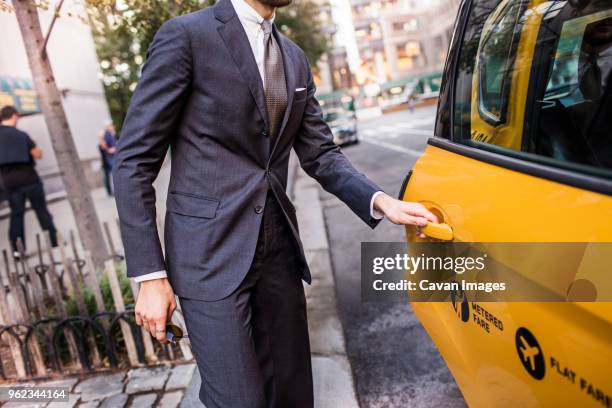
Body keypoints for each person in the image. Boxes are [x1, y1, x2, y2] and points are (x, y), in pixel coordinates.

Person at [112, 0, 437, 406]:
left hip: (278, 251)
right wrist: (149, 275)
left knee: (295, 394)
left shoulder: (294, 58)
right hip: (207, 257)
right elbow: (133, 161)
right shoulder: (186, 37)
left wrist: (383, 201)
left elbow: (321, 154)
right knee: (239, 400)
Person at [0, 106, 58, 257]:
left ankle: (17, 251)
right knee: (41, 210)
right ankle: (53, 241)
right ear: (14, 116)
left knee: (16, 215)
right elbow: (37, 154)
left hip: (10, 182)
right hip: (30, 179)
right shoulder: (21, 135)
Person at [98, 121, 117, 196]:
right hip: (110, 158)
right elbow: (103, 145)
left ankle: (113, 191)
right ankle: (112, 191)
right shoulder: (106, 135)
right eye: (111, 125)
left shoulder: (111, 134)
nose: (112, 126)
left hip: (111, 157)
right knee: (111, 175)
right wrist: (109, 150)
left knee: (112, 174)